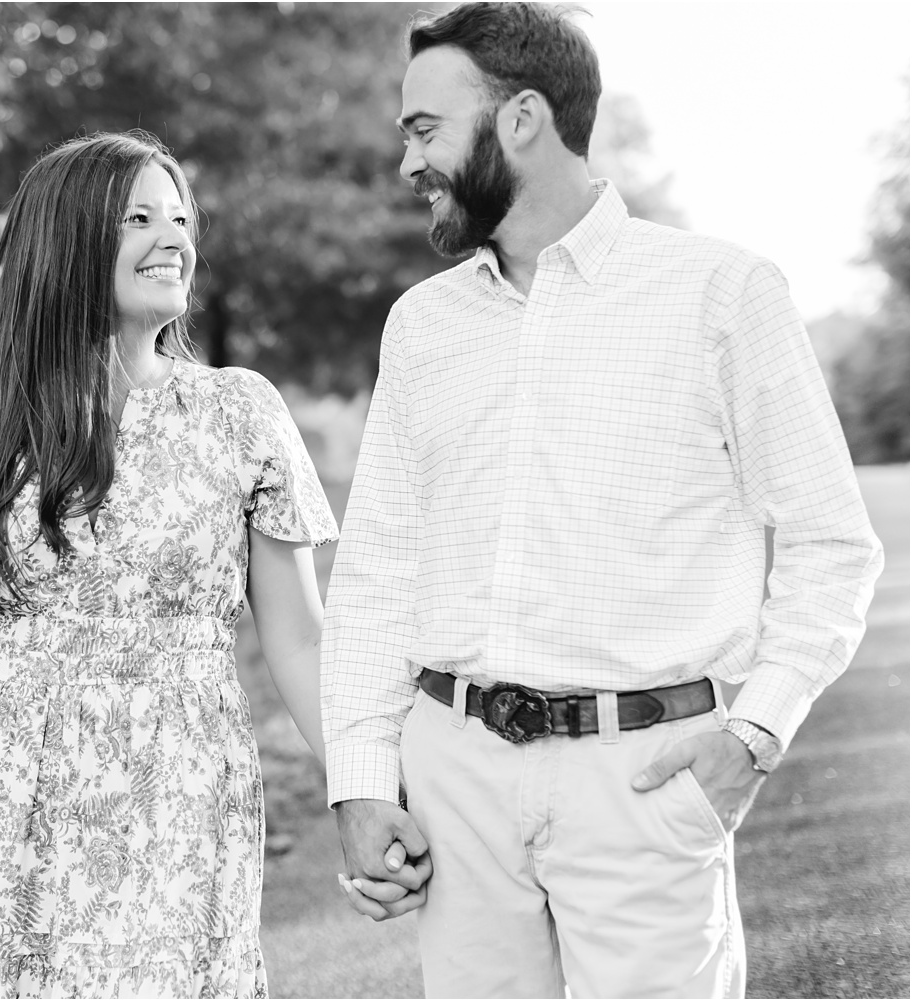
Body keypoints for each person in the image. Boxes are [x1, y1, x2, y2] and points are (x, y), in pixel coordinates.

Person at [320, 4, 884, 998]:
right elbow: (378, 570)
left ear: (523, 118)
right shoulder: (421, 325)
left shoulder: (723, 292)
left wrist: (753, 736)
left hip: (645, 786)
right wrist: (362, 781)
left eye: (424, 129)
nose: (407, 164)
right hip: (456, 788)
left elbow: (832, 545)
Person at [0, 131, 337, 999]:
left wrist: (367, 791)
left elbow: (302, 641)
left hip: (174, 810)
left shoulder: (241, 414)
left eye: (181, 216)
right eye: (139, 217)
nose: (176, 238)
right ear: (70, 241)